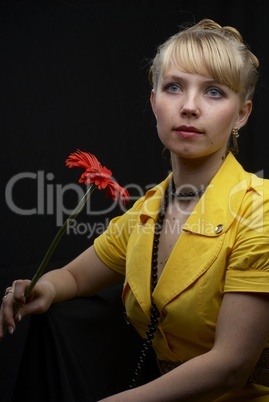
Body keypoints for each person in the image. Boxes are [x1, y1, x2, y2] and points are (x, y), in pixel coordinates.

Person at [1, 18, 269, 401]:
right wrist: (43, 287)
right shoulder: (147, 211)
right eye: (174, 87)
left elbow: (229, 366)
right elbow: (74, 278)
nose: (189, 107)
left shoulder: (261, 211)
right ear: (153, 101)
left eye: (213, 92)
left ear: (242, 114)